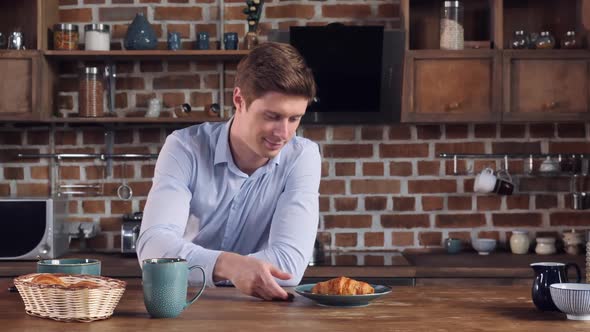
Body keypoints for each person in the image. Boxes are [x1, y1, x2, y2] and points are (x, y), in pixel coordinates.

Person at [136, 42, 321, 301]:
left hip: (262, 310)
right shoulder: (185, 147)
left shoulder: (303, 156)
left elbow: (289, 266)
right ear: (239, 100)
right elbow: (153, 249)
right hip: (188, 305)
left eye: (294, 119)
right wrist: (230, 266)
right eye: (272, 116)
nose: (284, 134)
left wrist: (193, 262)